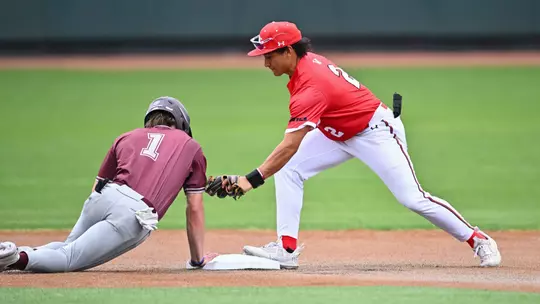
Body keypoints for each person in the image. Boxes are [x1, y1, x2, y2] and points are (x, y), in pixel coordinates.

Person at [205, 21, 502, 269]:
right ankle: (286, 249)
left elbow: (289, 145)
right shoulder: (304, 65)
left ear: (288, 51)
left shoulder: (311, 86)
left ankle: (479, 240)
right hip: (338, 133)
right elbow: (291, 151)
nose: (265, 61)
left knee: (412, 198)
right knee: (290, 170)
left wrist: (249, 180)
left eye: (269, 54)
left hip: (375, 132)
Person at [0, 96, 216, 272]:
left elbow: (97, 186)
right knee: (68, 259)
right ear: (181, 123)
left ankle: (10, 253)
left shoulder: (125, 137)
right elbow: (194, 207)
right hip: (135, 212)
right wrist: (197, 260)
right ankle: (16, 257)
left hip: (104, 196)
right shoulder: (191, 146)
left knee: (67, 247)